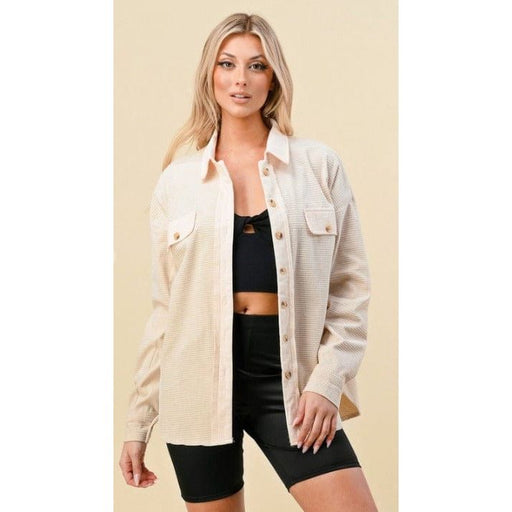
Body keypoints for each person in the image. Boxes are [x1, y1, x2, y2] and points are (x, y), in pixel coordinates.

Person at [119, 12, 378, 512]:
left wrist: (328, 383)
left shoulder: (317, 166)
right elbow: (165, 311)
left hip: (290, 377)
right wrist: (138, 422)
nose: (241, 78)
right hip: (196, 384)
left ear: (273, 77)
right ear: (210, 75)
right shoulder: (177, 182)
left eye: (256, 65)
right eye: (228, 64)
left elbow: (350, 288)